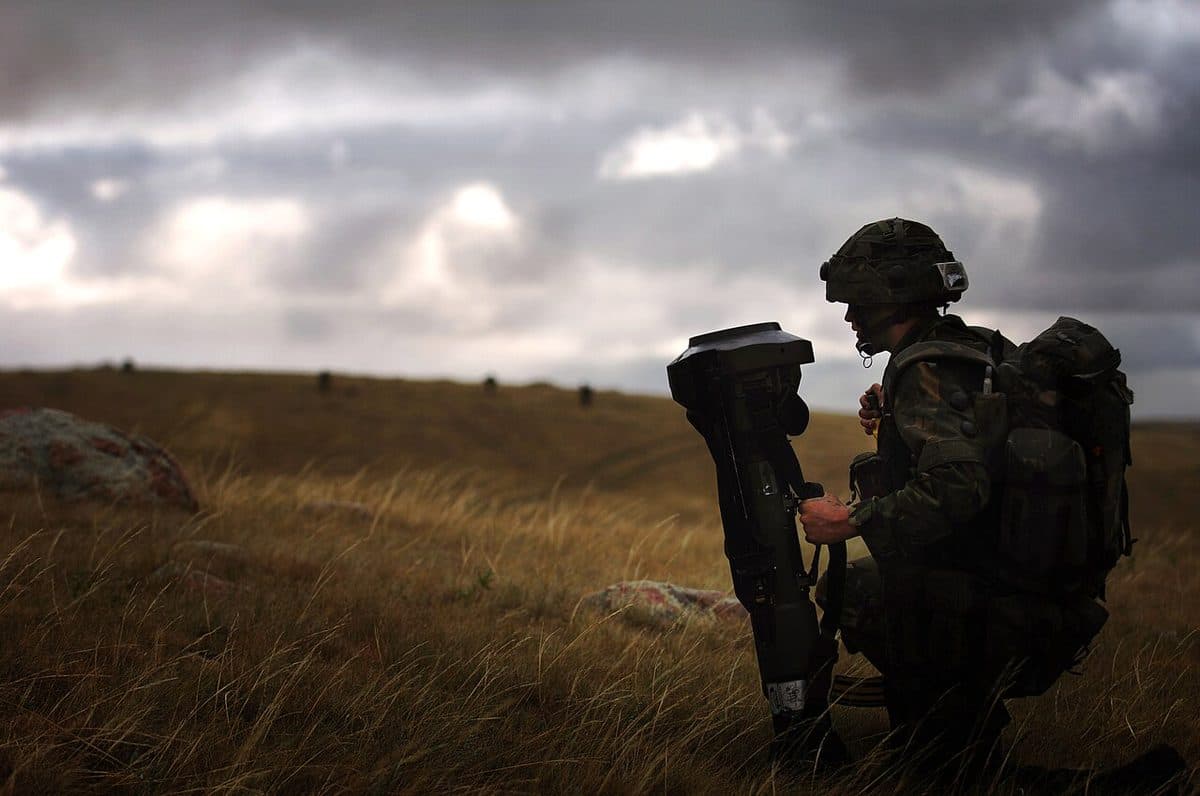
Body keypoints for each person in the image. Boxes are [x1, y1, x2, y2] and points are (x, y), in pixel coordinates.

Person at [797, 218, 1058, 776]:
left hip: (987, 592)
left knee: (853, 589)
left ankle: (949, 742)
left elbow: (959, 485)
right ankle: (951, 731)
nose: (849, 317)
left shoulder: (926, 368)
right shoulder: (972, 347)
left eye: (858, 304)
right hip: (1026, 578)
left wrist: (851, 521)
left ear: (892, 299)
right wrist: (897, 413)